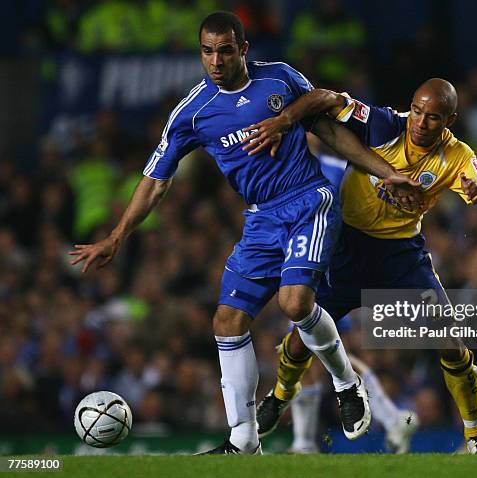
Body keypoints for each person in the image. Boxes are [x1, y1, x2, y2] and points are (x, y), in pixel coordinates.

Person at [68, 11, 423, 455]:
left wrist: (386, 172)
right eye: (207, 51)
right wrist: (117, 235)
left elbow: (329, 127)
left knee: (295, 303)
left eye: (225, 50)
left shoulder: (278, 79)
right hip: (260, 218)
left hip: (309, 200)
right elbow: (156, 180)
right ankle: (243, 439)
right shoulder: (192, 113)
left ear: (243, 50)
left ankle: (347, 384)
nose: (215, 60)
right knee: (227, 321)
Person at [246, 78, 477, 454]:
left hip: (400, 254)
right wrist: (286, 119)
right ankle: (281, 393)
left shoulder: (457, 157)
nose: (420, 121)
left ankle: (475, 434)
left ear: (449, 120)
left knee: (449, 338)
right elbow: (323, 98)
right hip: (348, 245)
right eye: (417, 110)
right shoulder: (383, 124)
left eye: (432, 117)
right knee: (305, 331)